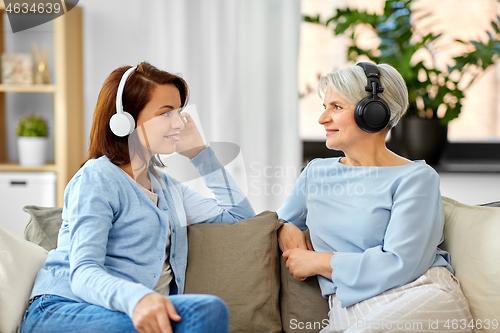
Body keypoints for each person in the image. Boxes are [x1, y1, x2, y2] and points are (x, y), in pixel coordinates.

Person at [21, 62, 255, 333]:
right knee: (201, 313)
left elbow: (240, 217)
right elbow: (84, 272)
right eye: (166, 113)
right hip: (64, 309)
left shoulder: (167, 189)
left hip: (125, 314)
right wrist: (140, 299)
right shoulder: (98, 178)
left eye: (179, 112)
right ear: (126, 120)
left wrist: (201, 154)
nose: (179, 122)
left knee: (206, 310)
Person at [277, 63, 473, 332]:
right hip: (349, 310)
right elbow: (278, 221)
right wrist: (286, 226)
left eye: (336, 107)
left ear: (373, 113)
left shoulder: (416, 178)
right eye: (325, 107)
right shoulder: (316, 172)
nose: (323, 119)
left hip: (418, 296)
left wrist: (319, 261)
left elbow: (400, 263)